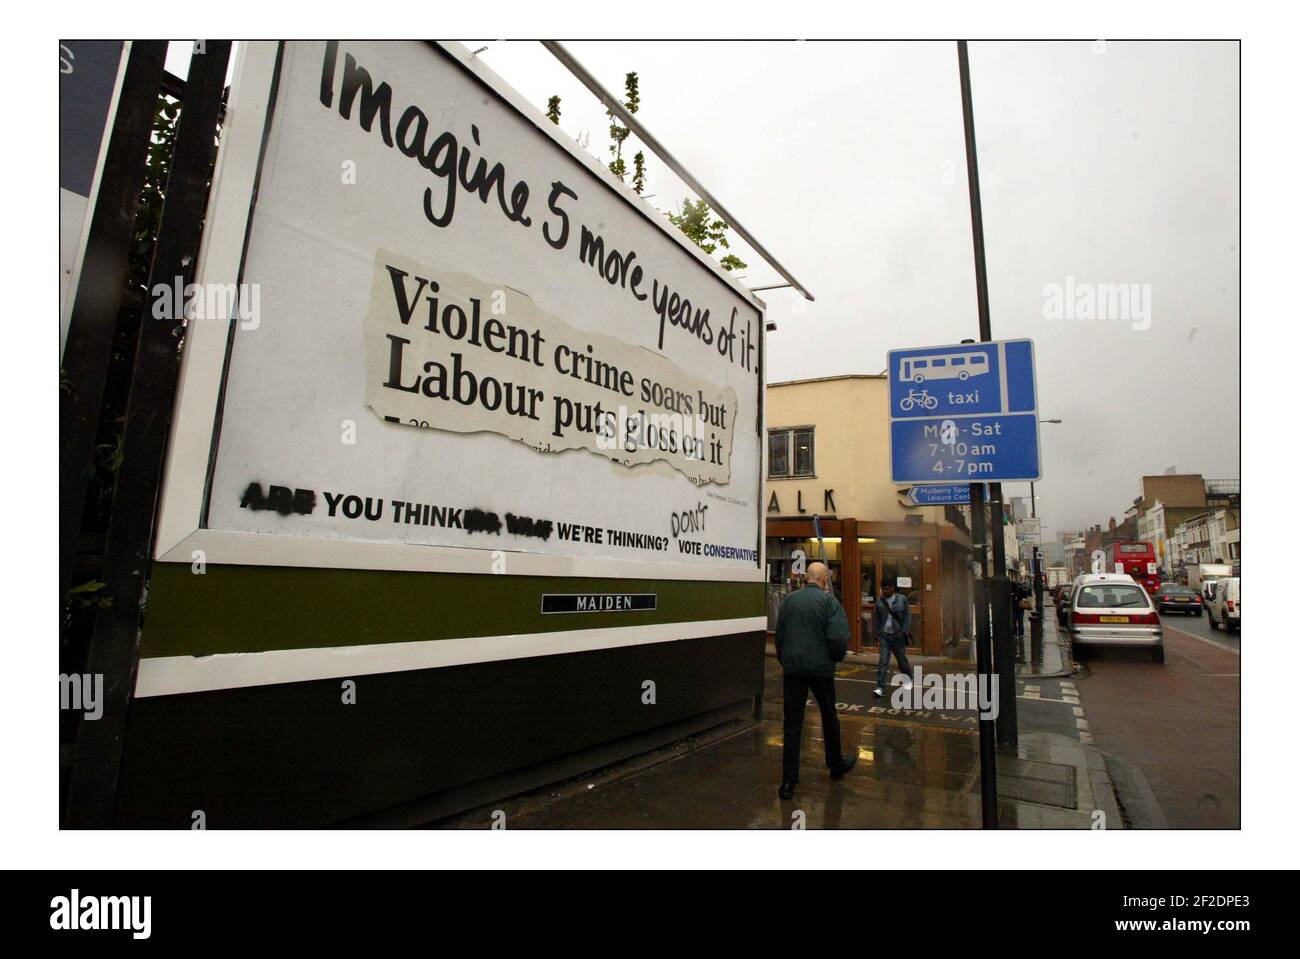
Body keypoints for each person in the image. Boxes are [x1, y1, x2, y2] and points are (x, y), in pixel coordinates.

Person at [774, 561, 857, 799]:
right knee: (829, 716)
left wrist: (786, 660)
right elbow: (839, 638)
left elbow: (780, 635)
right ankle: (835, 763)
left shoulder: (790, 600)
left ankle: (788, 781)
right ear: (823, 579)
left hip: (793, 669)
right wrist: (833, 658)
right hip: (820, 669)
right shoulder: (830, 602)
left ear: (808, 578)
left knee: (792, 724)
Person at [873, 579, 914, 697]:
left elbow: (907, 616)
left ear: (893, 588)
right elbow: (877, 618)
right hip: (884, 635)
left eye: (888, 588)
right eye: (883, 589)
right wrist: (877, 634)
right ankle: (880, 687)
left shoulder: (902, 599)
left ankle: (908, 681)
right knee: (883, 661)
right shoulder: (879, 601)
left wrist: (904, 632)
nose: (885, 591)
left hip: (897, 635)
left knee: (902, 661)